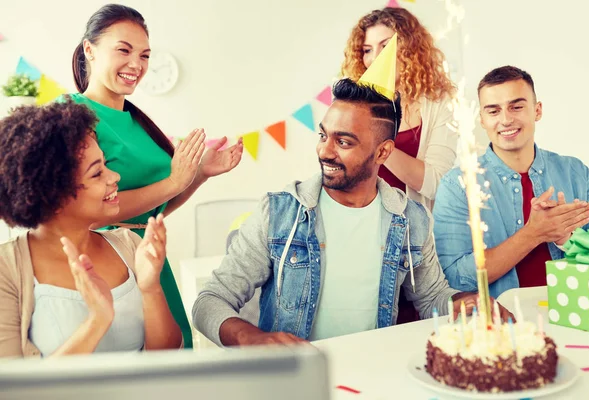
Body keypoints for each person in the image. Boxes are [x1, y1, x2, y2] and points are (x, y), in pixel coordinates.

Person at [192, 79, 512, 346]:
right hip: (296, 383)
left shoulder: (411, 220)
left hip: (371, 377)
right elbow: (209, 301)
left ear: (383, 152)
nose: (324, 150)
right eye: (323, 135)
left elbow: (431, 297)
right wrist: (250, 338)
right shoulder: (278, 213)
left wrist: (462, 303)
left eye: (343, 142)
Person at [68, 4, 244, 348]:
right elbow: (83, 211)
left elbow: (151, 212)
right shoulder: (70, 115)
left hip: (150, 261)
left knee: (173, 359)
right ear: (89, 49)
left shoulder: (136, 121)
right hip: (105, 268)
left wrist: (199, 174)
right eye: (124, 50)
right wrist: (175, 181)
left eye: (145, 55)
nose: (137, 64)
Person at [0, 101, 182, 357]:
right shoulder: (6, 269)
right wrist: (97, 319)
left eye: (105, 165)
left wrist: (151, 288)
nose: (114, 177)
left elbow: (169, 355)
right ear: (53, 193)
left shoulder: (128, 244)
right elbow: (13, 388)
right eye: (97, 174)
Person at [433, 66, 589, 298]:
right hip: (506, 325)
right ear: (481, 119)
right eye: (493, 111)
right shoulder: (458, 185)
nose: (506, 119)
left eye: (517, 107)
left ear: (537, 110)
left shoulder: (575, 173)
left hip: (574, 313)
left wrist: (567, 240)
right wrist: (533, 234)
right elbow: (456, 277)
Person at [342, 6, 457, 211]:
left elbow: (438, 184)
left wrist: (373, 138)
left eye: (385, 46)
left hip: (412, 232)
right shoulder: (351, 105)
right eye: (367, 50)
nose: (375, 57)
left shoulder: (440, 104)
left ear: (410, 49)